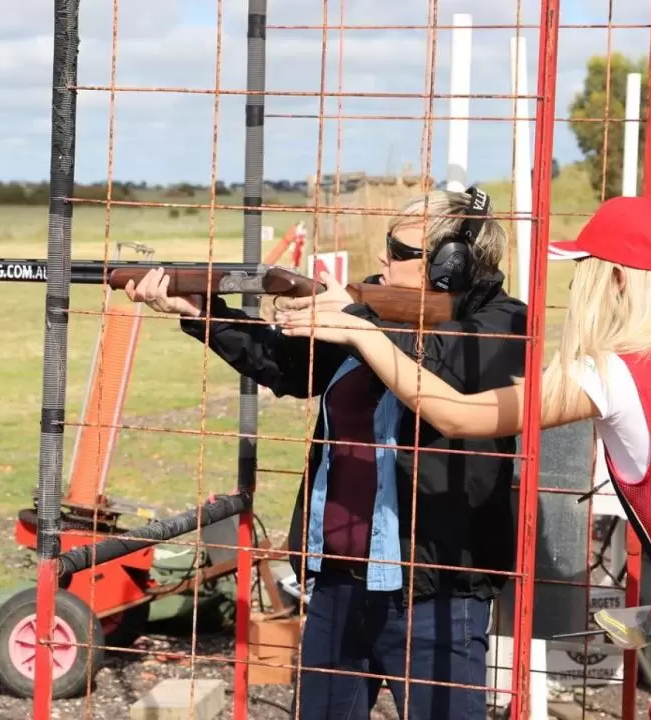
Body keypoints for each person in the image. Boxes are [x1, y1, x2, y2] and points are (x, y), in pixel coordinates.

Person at [276, 195, 651, 720]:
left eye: (584, 270)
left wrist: (362, 332)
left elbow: (459, 414)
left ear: (615, 280)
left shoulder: (613, 373)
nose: (576, 285)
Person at [124, 187, 529, 719]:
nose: (385, 258)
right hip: (338, 580)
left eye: (401, 251)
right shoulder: (373, 311)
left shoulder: (503, 324)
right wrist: (205, 313)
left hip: (435, 594)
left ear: (451, 265)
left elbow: (450, 371)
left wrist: (362, 322)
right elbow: (289, 367)